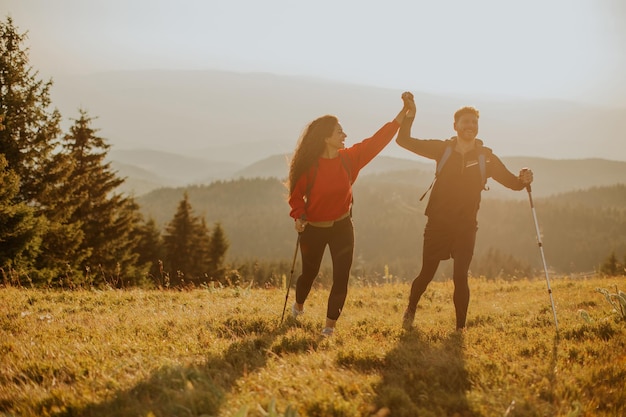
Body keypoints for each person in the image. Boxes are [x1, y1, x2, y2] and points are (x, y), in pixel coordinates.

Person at [396, 92, 533, 331]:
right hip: (438, 223)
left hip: (466, 226)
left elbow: (512, 183)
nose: (470, 126)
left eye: (474, 122)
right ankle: (411, 310)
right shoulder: (442, 149)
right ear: (455, 126)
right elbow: (404, 141)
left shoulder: (486, 157)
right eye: (466, 122)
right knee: (426, 273)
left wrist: (525, 179)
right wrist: (411, 115)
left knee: (460, 276)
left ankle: (460, 329)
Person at [287, 93, 412, 336]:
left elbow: (378, 140)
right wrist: (299, 216)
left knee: (341, 277)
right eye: (339, 132)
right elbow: (295, 197)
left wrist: (403, 114)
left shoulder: (349, 159)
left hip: (342, 228)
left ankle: (329, 328)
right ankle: (299, 305)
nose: (345, 136)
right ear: (326, 138)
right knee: (309, 274)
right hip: (313, 229)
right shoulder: (308, 168)